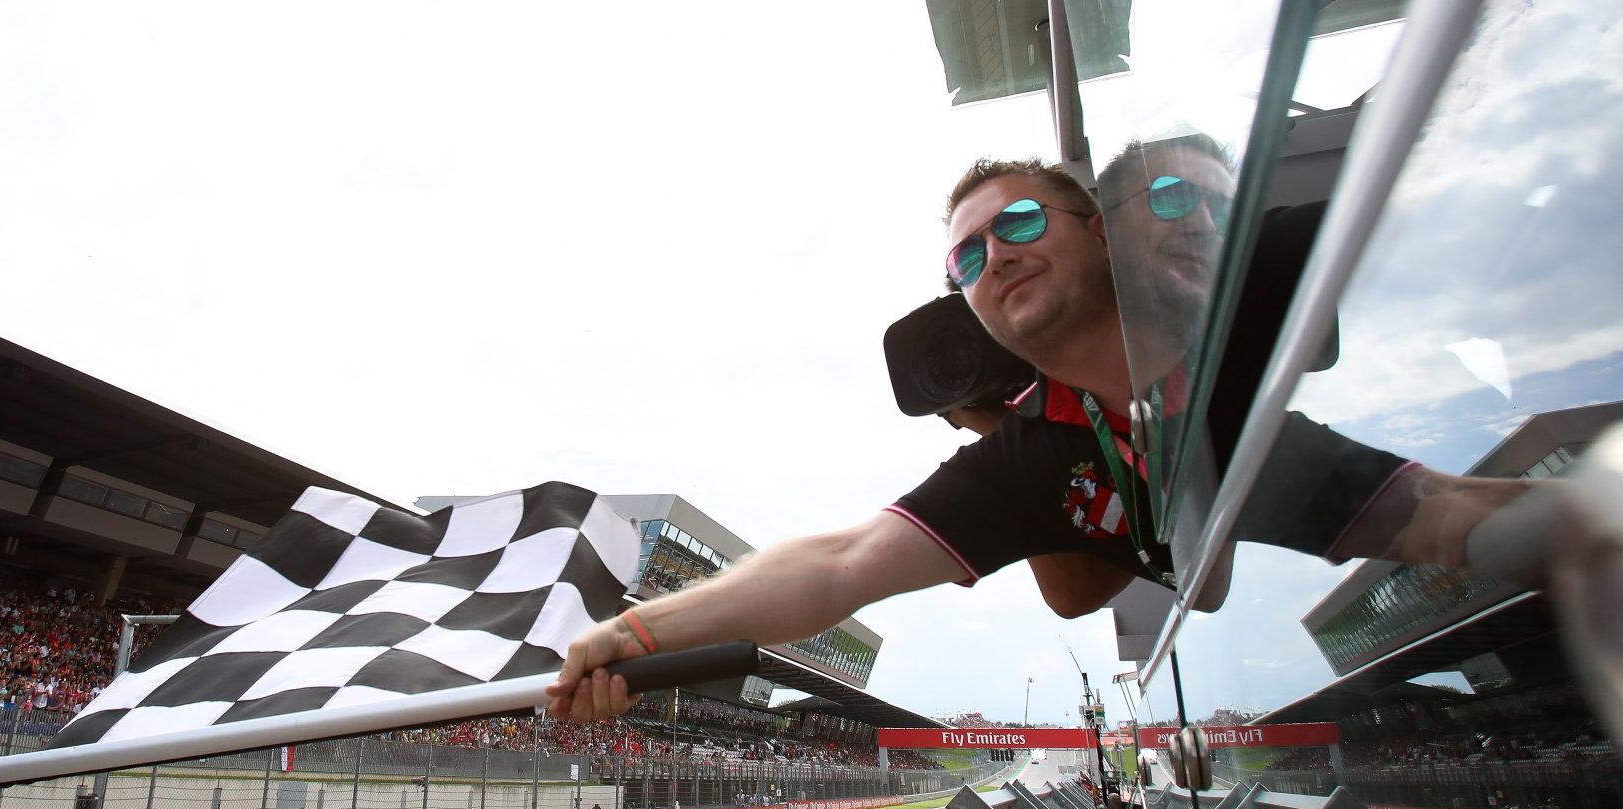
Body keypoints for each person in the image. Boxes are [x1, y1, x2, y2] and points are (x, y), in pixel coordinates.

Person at [547, 157, 1528, 723]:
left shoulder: (1224, 280)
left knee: (1465, 520)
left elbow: (1431, 214)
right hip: (1212, 519)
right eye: (967, 254)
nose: (997, 253)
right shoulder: (1035, 455)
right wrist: (631, 631)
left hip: (1314, 485)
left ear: (1099, 230)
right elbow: (844, 560)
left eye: (1018, 220)